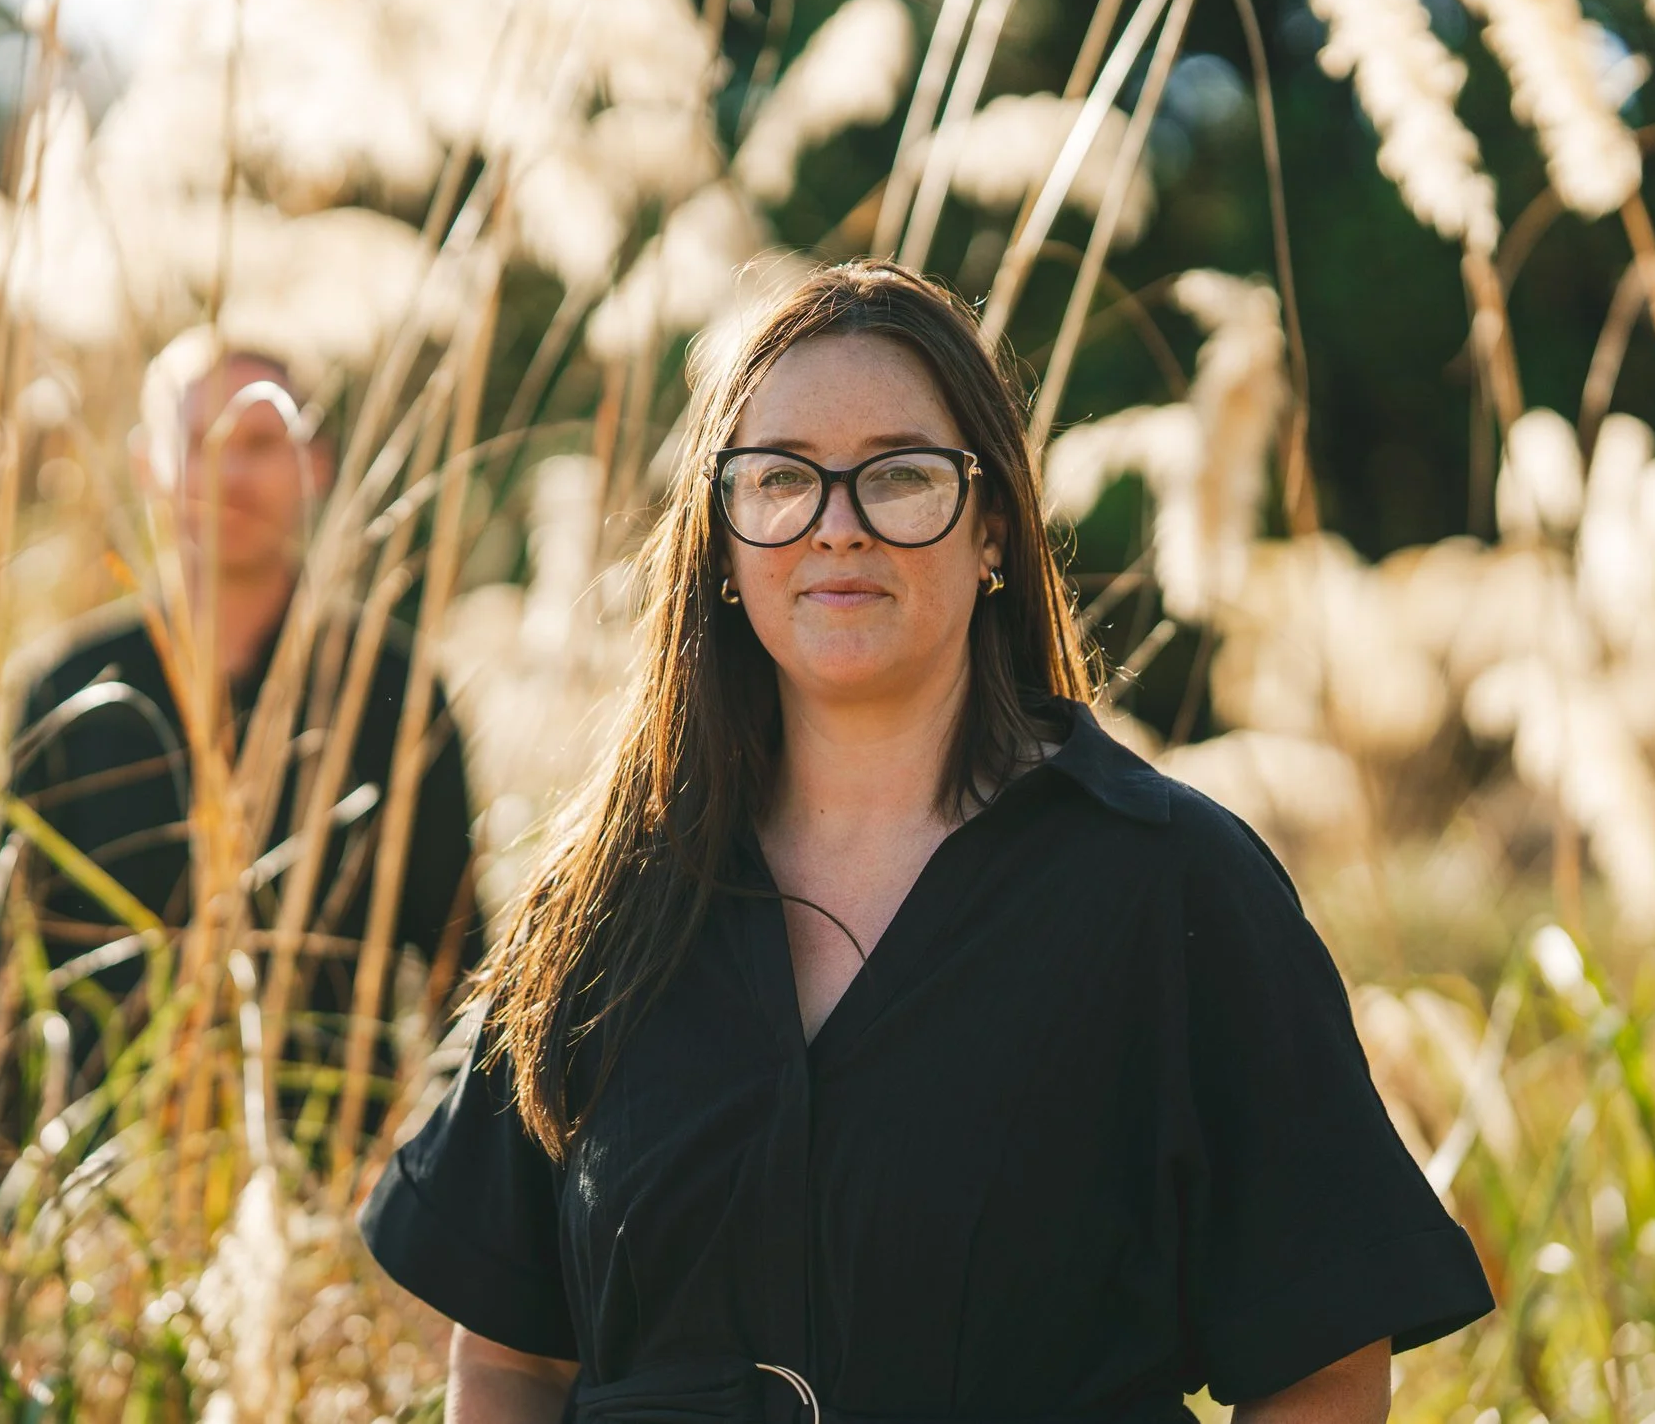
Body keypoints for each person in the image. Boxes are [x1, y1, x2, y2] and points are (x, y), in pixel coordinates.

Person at [358, 262, 1493, 1423]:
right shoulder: (599, 898)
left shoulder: (1169, 885)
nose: (836, 528)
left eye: (899, 477)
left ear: (991, 518)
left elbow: (1325, 1368)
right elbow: (508, 1361)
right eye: (781, 479)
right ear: (721, 538)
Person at [0, 330, 482, 1159]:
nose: (232, 474)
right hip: (95, 1199)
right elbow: (1, 970)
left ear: (314, 464)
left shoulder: (391, 689)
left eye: (261, 443)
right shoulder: (65, 691)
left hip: (333, 1200)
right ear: (150, 464)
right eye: (202, 443)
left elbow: (463, 967)